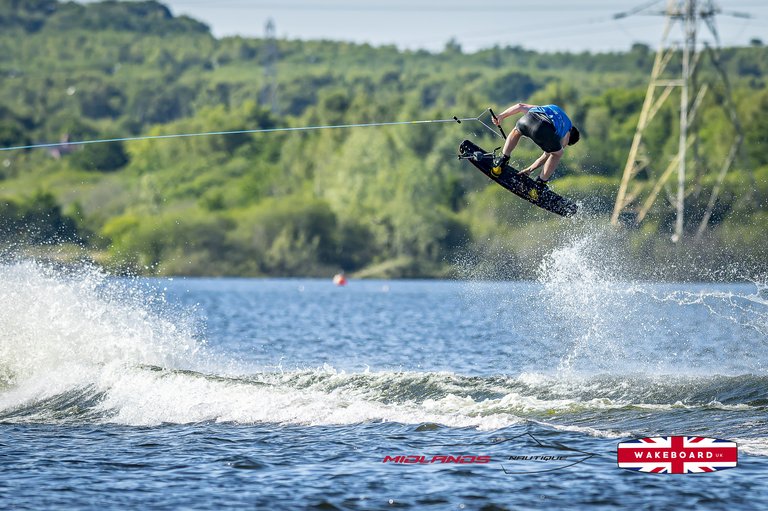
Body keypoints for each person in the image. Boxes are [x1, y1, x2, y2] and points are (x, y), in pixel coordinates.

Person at [491, 103, 580, 188]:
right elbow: (546, 155)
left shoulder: (552, 108)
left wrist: (501, 116)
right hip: (544, 127)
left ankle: (502, 160)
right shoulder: (568, 130)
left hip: (526, 120)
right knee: (558, 153)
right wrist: (530, 170)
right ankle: (540, 183)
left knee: (517, 130)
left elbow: (520, 106)